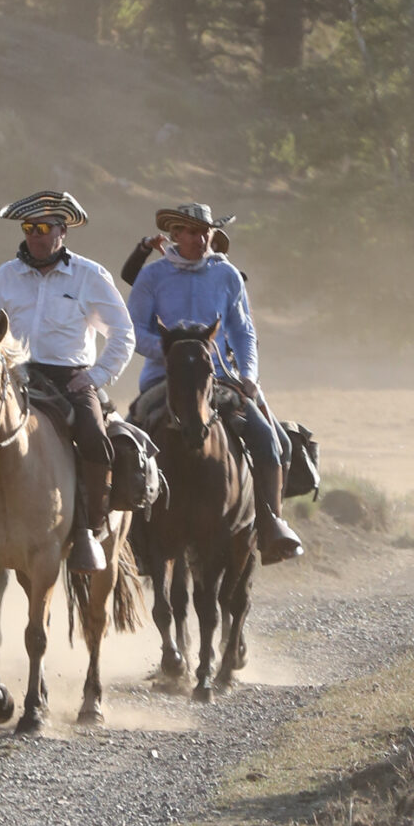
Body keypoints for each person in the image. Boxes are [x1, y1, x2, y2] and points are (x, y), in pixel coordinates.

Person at [0, 189, 134, 574]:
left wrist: (95, 377)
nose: (34, 234)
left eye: (43, 227)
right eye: (29, 227)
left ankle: (88, 532)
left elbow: (123, 334)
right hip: (12, 377)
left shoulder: (89, 276)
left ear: (62, 231)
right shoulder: (5, 276)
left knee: (95, 437)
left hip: (69, 379)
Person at [127, 200, 304, 565]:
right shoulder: (152, 276)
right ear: (175, 235)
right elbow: (135, 332)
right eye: (192, 232)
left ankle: (271, 525)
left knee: (273, 440)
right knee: (129, 439)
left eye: (205, 231)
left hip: (221, 377)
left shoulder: (227, 276)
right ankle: (132, 534)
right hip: (165, 377)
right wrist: (174, 353)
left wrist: (249, 377)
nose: (201, 238)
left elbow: (243, 332)